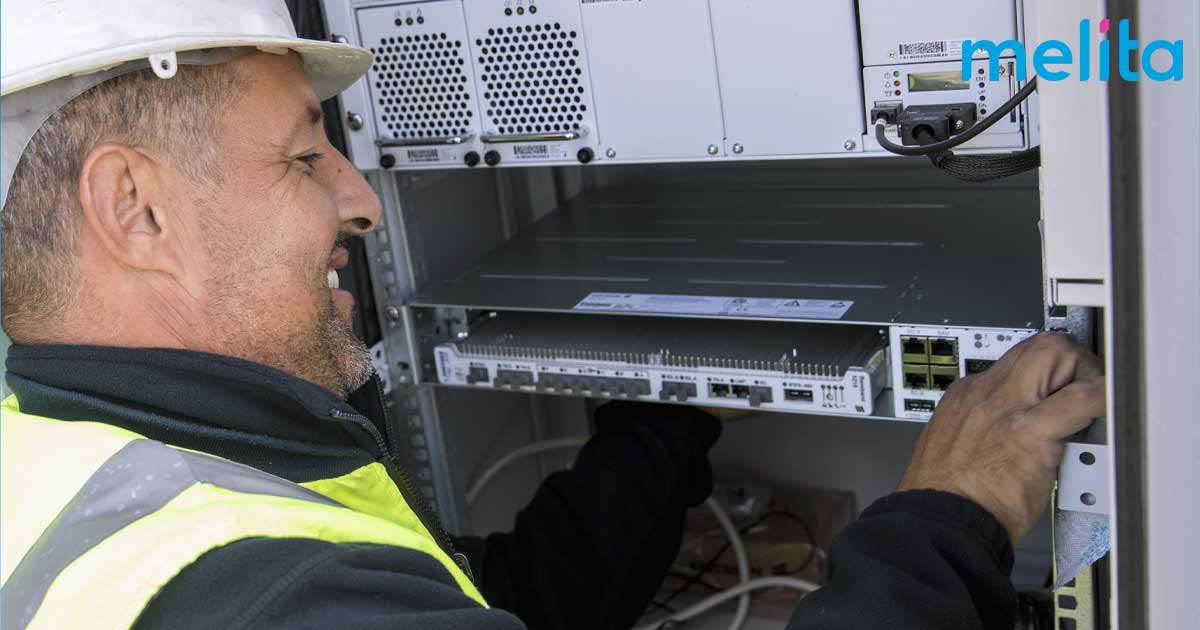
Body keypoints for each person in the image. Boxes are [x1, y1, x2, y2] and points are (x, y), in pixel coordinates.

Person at [0, 2, 1105, 629]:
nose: (364, 200)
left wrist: (673, 411)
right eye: (303, 158)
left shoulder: (79, 457)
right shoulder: (259, 596)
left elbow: (502, 600)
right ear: (134, 208)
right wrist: (950, 514)